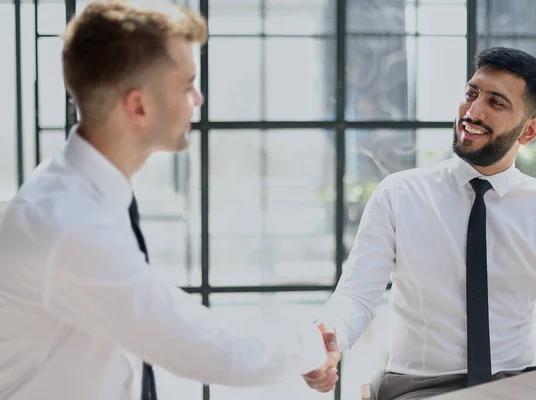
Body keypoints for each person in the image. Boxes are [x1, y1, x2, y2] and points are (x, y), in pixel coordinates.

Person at [0, 1, 340, 399]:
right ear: (139, 106)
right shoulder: (68, 223)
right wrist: (310, 347)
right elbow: (199, 345)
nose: (198, 98)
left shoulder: (87, 193)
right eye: (187, 84)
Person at [303, 47, 536, 399]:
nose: (473, 112)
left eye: (496, 102)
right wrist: (329, 339)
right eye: (471, 94)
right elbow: (357, 294)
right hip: (420, 386)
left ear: (529, 130)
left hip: (521, 381)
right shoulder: (399, 194)